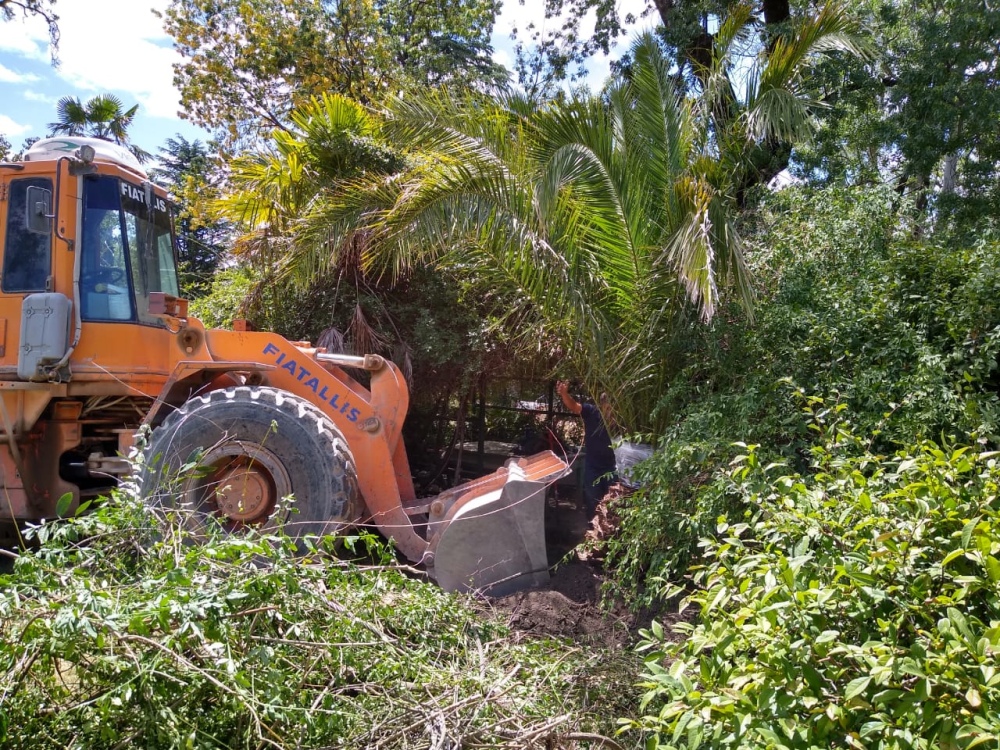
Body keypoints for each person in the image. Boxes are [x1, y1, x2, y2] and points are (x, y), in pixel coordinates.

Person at [557, 381, 618, 517]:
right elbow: (574, 406)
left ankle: (611, 531)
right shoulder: (592, 412)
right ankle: (592, 527)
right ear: (602, 405)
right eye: (607, 406)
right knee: (592, 498)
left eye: (612, 407)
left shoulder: (621, 421)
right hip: (593, 465)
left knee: (613, 499)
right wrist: (564, 394)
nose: (609, 410)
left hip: (613, 466)